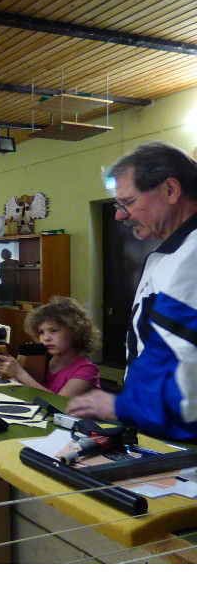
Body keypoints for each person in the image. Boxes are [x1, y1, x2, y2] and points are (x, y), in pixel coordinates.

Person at [67, 141, 197, 440]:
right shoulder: (172, 255)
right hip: (158, 427)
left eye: (127, 202)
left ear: (170, 190)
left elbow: (189, 373)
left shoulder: (191, 257)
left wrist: (123, 407)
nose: (120, 215)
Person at [0, 296, 101, 397]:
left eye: (54, 330)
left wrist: (20, 373)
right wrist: (9, 371)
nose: (46, 338)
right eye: (41, 332)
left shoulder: (86, 370)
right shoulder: (42, 360)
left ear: (75, 332)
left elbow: (59, 405)